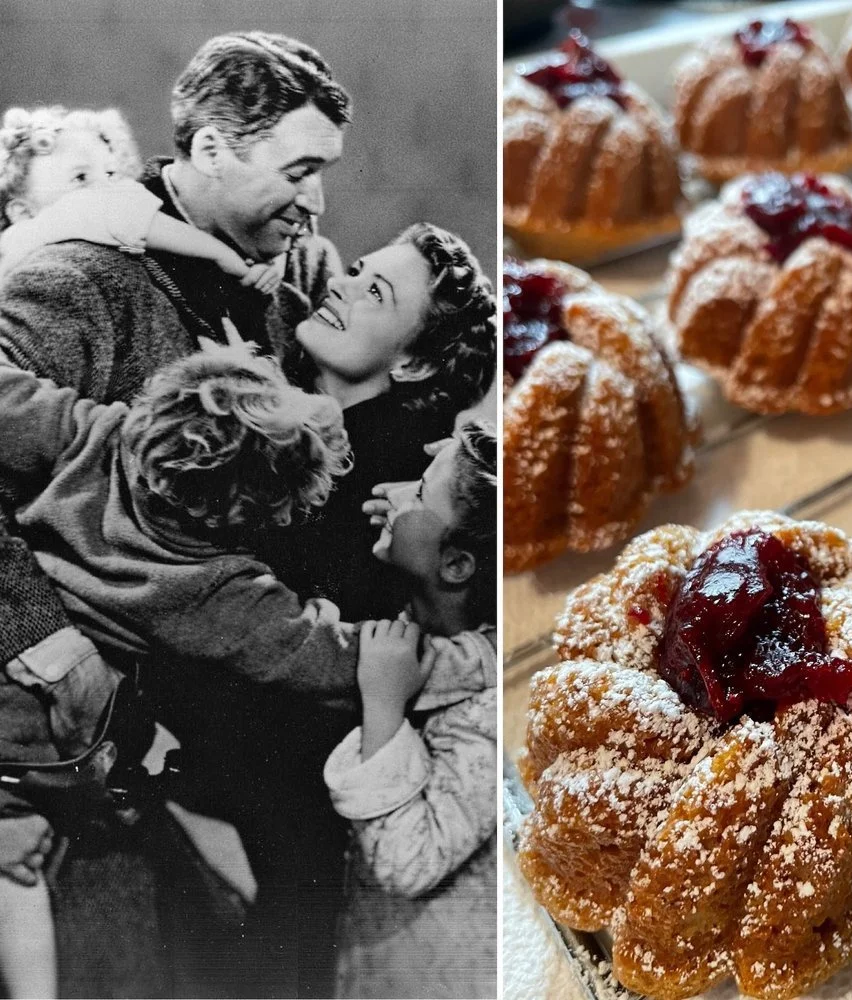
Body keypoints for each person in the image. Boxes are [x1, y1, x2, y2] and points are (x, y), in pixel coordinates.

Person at [0, 30, 353, 997]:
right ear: (209, 149)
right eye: (300, 171)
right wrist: (42, 642)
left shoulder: (297, 275)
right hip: (88, 731)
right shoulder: (79, 276)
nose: (317, 203)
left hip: (241, 684)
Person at [0, 344, 357, 998]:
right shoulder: (218, 587)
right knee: (27, 860)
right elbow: (331, 665)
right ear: (243, 513)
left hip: (15, 665)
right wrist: (334, 621)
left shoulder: (85, 432)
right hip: (49, 741)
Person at [325, 421, 497, 999]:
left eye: (418, 490)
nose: (393, 494)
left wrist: (383, 709)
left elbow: (410, 860)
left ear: (457, 566)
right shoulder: (433, 626)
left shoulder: (487, 712)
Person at [268, 222, 496, 622]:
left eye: (375, 293)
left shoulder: (395, 486)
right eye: (356, 272)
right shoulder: (281, 373)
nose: (338, 284)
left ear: (415, 364)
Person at [0, 105, 279, 292]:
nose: (106, 187)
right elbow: (151, 225)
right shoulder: (74, 215)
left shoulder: (25, 243)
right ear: (22, 212)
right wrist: (224, 255)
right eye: (80, 178)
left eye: (110, 173)